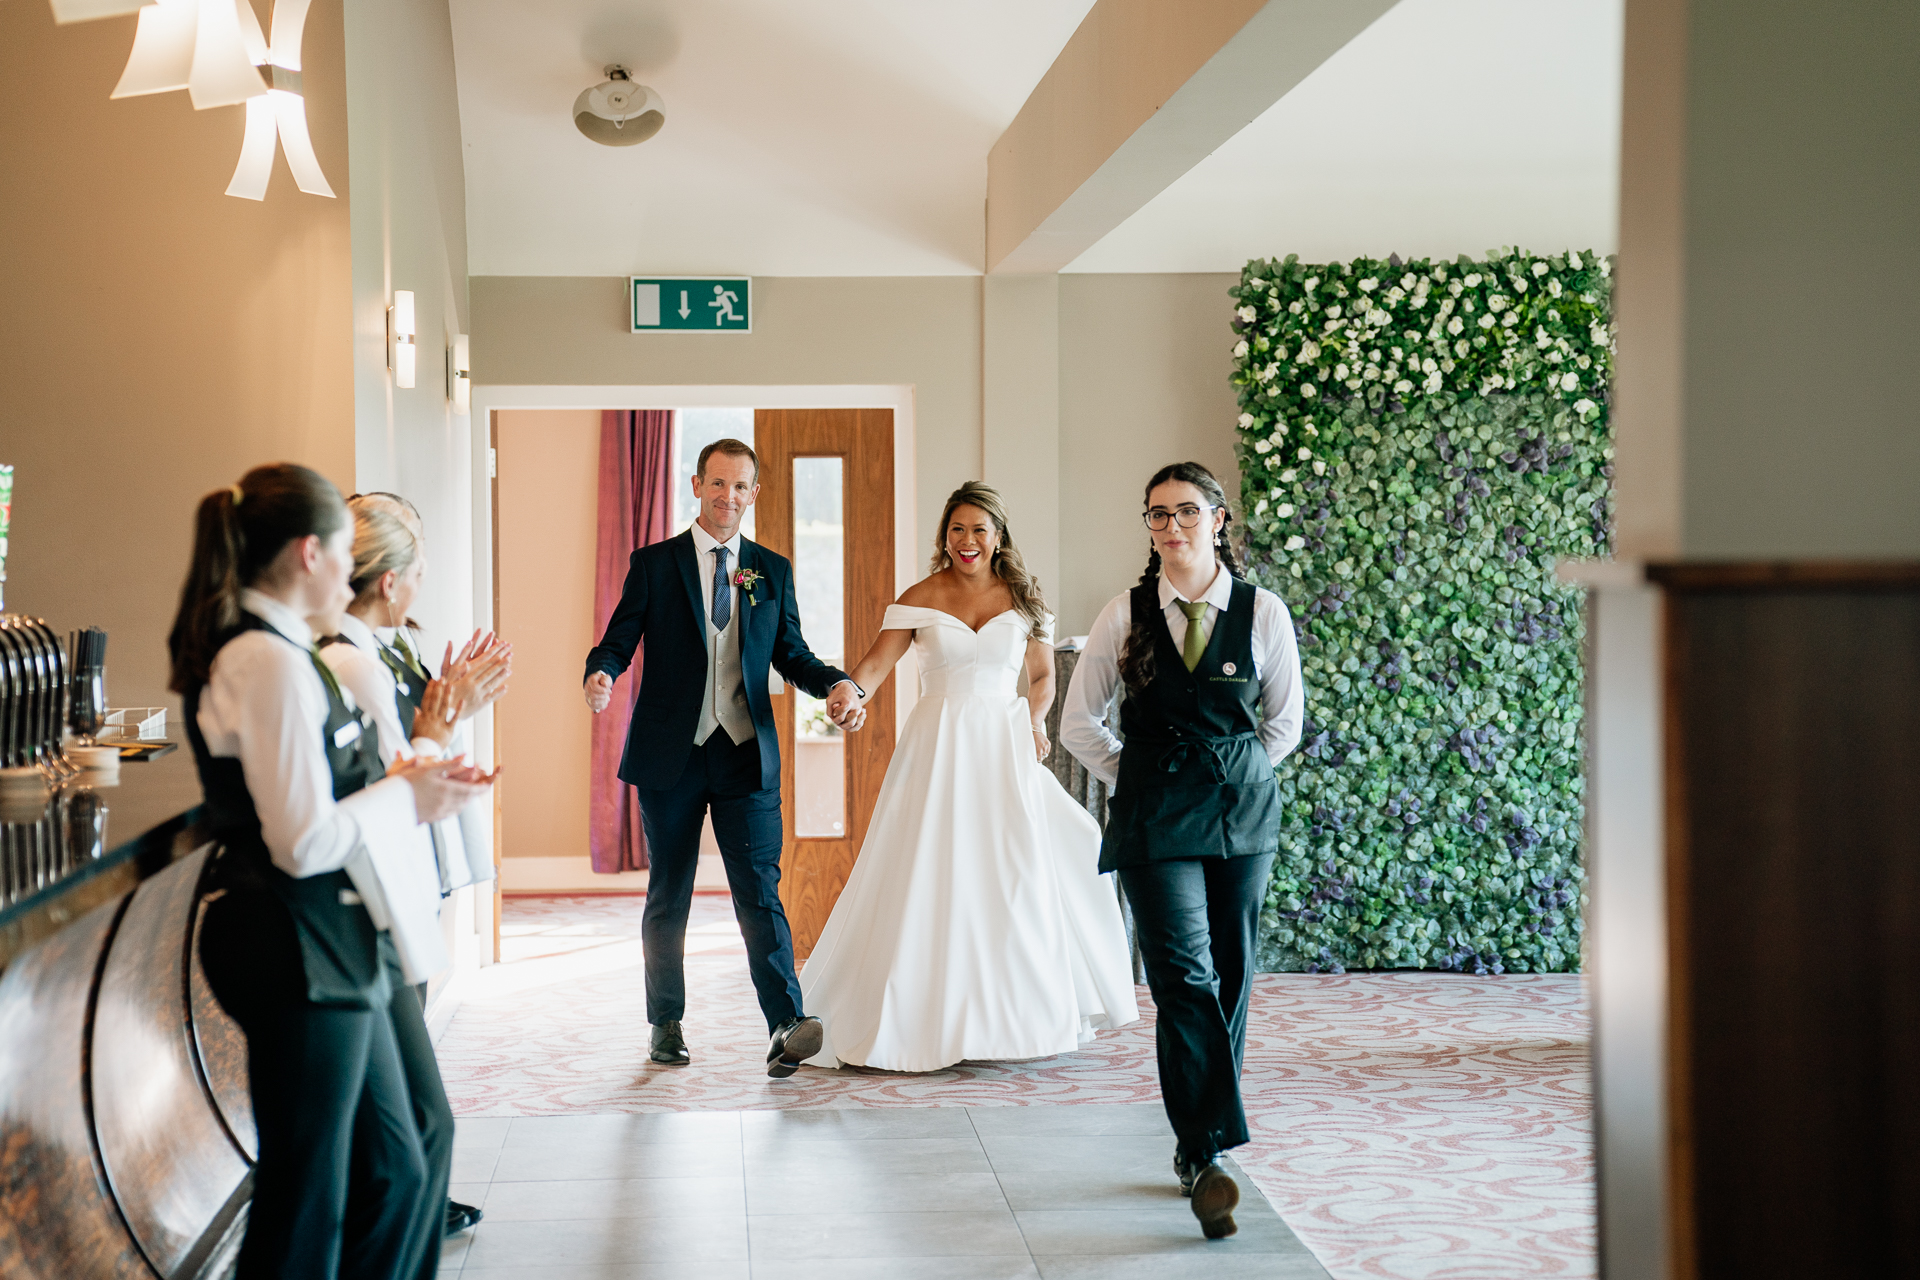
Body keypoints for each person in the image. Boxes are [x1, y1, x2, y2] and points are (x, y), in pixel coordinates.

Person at [170, 463, 493, 1279]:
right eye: (346, 551)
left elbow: (353, 797)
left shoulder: (288, 654)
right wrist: (408, 791)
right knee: (311, 1190)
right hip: (292, 933)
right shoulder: (270, 662)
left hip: (328, 929)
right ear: (311, 553)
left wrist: (420, 770)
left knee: (405, 1155)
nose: (356, 575)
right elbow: (304, 842)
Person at [799, 481, 1138, 1071]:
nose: (967, 540)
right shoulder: (920, 597)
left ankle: (1012, 1016)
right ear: (945, 536)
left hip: (1001, 743)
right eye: (957, 529)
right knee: (929, 869)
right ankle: (917, 1017)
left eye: (979, 529)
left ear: (999, 536)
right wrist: (849, 695)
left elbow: (1042, 678)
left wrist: (1035, 723)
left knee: (1012, 869)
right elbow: (875, 666)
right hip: (937, 745)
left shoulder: (1024, 600)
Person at [1059, 461, 1303, 1241]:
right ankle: (1207, 1152)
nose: (1172, 527)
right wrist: (1137, 778)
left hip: (1241, 816)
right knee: (1182, 974)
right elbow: (1079, 723)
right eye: (1158, 515)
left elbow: (1283, 724)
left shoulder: (1263, 613)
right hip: (1156, 820)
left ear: (1219, 520)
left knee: (1231, 973)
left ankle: (1197, 1148)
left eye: (1187, 512)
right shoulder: (1124, 613)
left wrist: (1232, 773)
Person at [582, 437, 861, 1077]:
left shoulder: (769, 569)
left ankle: (785, 1024)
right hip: (669, 759)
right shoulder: (655, 563)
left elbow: (792, 654)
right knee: (670, 891)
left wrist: (836, 682)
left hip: (743, 757)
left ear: (754, 493)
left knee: (758, 891)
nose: (728, 496)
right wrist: (602, 674)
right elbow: (618, 639)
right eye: (717, 484)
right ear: (696, 484)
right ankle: (666, 1023)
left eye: (740, 486)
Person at [320, 496, 513, 1248]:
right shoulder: (349, 660)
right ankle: (393, 1201)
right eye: (419, 562)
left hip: (404, 859)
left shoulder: (389, 646)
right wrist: (444, 720)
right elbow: (402, 758)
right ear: (391, 579)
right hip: (366, 880)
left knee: (411, 1068)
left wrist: (451, 708)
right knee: (405, 1103)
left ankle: (402, 1195)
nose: (425, 575)